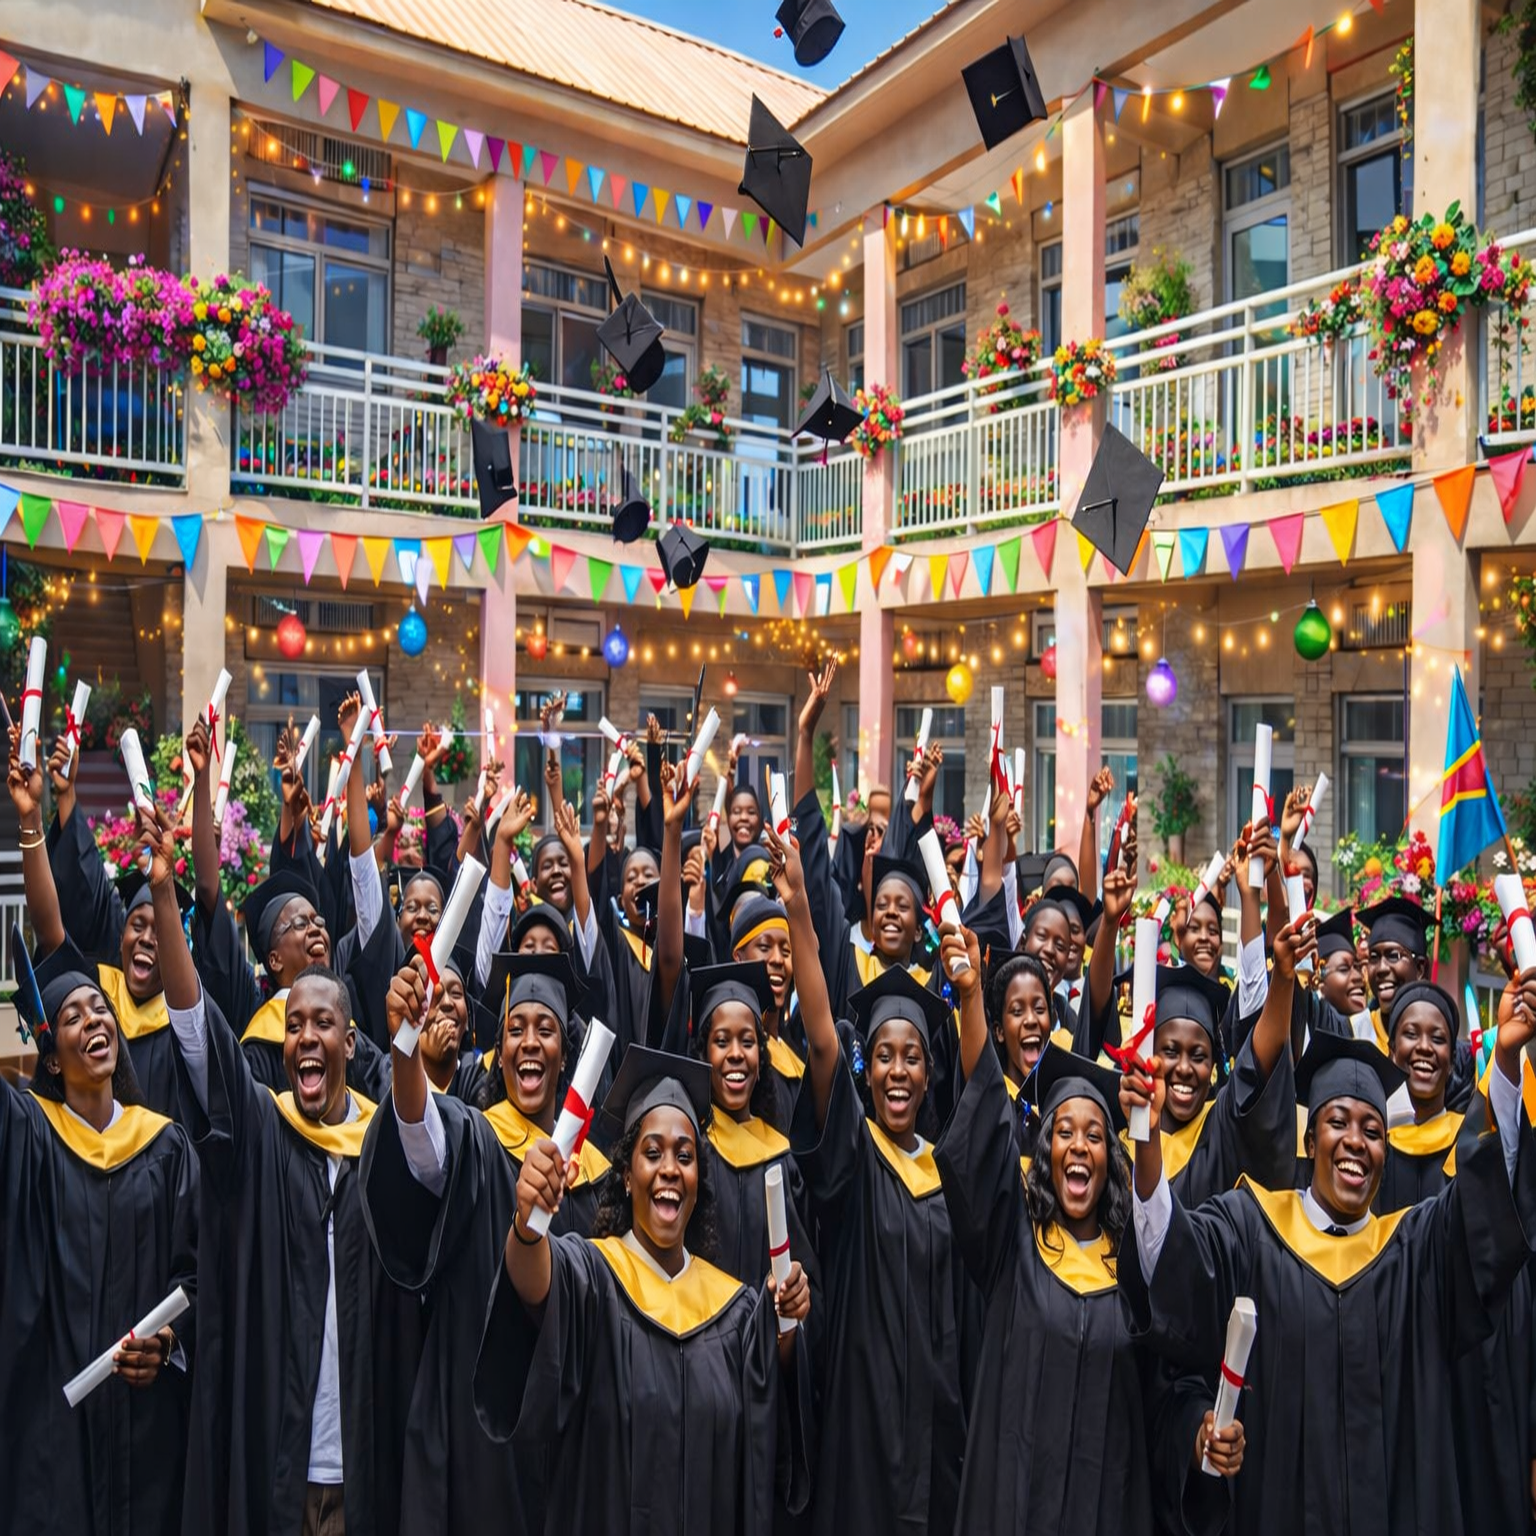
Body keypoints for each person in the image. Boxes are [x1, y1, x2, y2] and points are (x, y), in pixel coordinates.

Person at [1119, 978, 1536, 1536]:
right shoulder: (1251, 1228)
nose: (1356, 1142)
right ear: (1310, 1140)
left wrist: (1506, 1060)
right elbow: (1174, 1262)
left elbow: (1483, 1212)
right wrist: (1147, 1143)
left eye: (1372, 1130)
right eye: (1337, 1123)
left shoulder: (1413, 1249)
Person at [141, 801, 422, 1536]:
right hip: (279, 1466)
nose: (303, 1036)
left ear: (350, 1040)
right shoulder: (266, 1134)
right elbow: (199, 1033)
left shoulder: (380, 1147)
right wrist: (168, 899)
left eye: (321, 1023)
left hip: (365, 1471)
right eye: (293, 1022)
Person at [935, 925, 1243, 1536]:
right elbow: (985, 1120)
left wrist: (1198, 1438)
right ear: (1045, 1152)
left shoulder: (1133, 1277)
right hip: (1011, 1508)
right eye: (1064, 1133)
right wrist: (972, 997)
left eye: (1096, 1135)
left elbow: (1168, 1394)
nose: (1079, 1147)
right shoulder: (1011, 1242)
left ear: (1112, 1161)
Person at [473, 1044, 813, 1535]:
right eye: (651, 1153)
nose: (670, 1168)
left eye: (686, 1155)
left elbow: (769, 1435)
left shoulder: (736, 1312)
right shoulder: (592, 1276)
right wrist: (527, 1227)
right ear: (628, 1177)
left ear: (699, 1181)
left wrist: (784, 1327)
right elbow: (532, 1284)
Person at [360, 947, 608, 1531]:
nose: (528, 1042)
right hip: (475, 1439)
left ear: (564, 1053)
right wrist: (405, 1051)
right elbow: (420, 1138)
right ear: (497, 1054)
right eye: (514, 1029)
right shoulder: (474, 1137)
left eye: (544, 1029)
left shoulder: (597, 1178)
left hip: (570, 1438)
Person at [773, 822, 972, 1536]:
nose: (896, 1069)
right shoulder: (854, 1156)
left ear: (928, 1073)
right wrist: (800, 909)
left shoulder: (948, 1173)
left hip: (939, 1417)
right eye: (883, 1054)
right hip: (861, 1418)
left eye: (912, 1057)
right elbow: (824, 1037)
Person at [0, 915, 197, 1536]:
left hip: (147, 1432)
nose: (96, 1021)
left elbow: (196, 1274)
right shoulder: (31, 1136)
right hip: (53, 1426)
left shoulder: (165, 1147)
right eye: (74, 1017)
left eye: (100, 1009)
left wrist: (169, 1348)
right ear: (51, 1058)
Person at [25, 728, 191, 1119]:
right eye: (136, 924)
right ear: (120, 937)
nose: (148, 938)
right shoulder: (96, 995)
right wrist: (59, 799)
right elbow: (54, 928)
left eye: (159, 930)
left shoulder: (186, 1026)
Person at [1376, 980, 1462, 1213]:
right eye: (1411, 1034)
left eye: (1437, 1039)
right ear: (1392, 1051)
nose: (1424, 1047)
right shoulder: (1374, 1139)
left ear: (1452, 1060)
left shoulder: (1466, 1142)